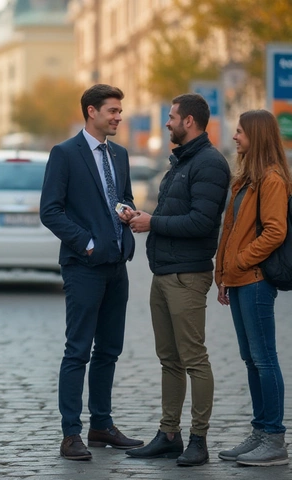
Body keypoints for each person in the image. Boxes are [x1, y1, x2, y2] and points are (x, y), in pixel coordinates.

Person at [125, 93, 230, 466]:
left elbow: (202, 222)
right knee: (168, 359)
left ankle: (198, 440)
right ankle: (169, 434)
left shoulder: (210, 164)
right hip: (165, 272)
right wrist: (144, 215)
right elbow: (176, 212)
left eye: (171, 117)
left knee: (193, 359)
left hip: (188, 275)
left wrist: (152, 222)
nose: (166, 122)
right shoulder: (182, 161)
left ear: (189, 121)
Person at [40, 84, 143, 461]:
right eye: (112, 111)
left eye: (119, 110)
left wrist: (127, 211)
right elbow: (50, 210)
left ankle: (101, 424)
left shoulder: (119, 154)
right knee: (78, 350)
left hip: (117, 265)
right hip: (84, 266)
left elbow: (124, 196)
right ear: (91, 112)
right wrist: (85, 243)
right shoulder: (65, 154)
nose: (118, 117)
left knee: (109, 350)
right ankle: (71, 435)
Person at [214, 109, 290, 466]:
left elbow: (276, 230)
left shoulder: (272, 179)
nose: (235, 137)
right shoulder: (246, 179)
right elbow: (230, 228)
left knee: (264, 359)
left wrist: (242, 261)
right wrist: (223, 274)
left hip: (257, 281)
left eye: (240, 131)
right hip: (239, 280)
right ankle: (260, 430)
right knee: (250, 360)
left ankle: (274, 438)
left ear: (256, 136)